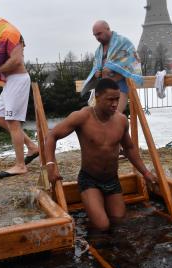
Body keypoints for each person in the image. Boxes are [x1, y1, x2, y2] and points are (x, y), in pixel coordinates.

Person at [46, 79, 156, 231]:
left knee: (119, 222)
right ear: (97, 97)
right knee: (102, 226)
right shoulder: (83, 117)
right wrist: (50, 166)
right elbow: (51, 136)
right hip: (90, 180)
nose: (115, 104)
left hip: (112, 180)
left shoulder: (121, 120)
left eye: (117, 99)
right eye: (110, 99)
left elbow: (130, 148)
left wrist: (145, 172)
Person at [0, 7, 40, 179]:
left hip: (18, 80)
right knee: (0, 118)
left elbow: (16, 61)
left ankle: (20, 166)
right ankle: (32, 147)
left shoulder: (9, 31)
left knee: (12, 121)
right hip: (11, 82)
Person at [81, 20, 143, 114]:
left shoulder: (123, 42)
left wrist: (113, 68)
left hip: (121, 85)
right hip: (105, 88)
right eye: (95, 35)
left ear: (108, 29)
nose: (97, 37)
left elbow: (131, 60)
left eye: (99, 34)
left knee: (115, 116)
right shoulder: (99, 50)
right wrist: (97, 72)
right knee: (101, 117)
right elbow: (97, 66)